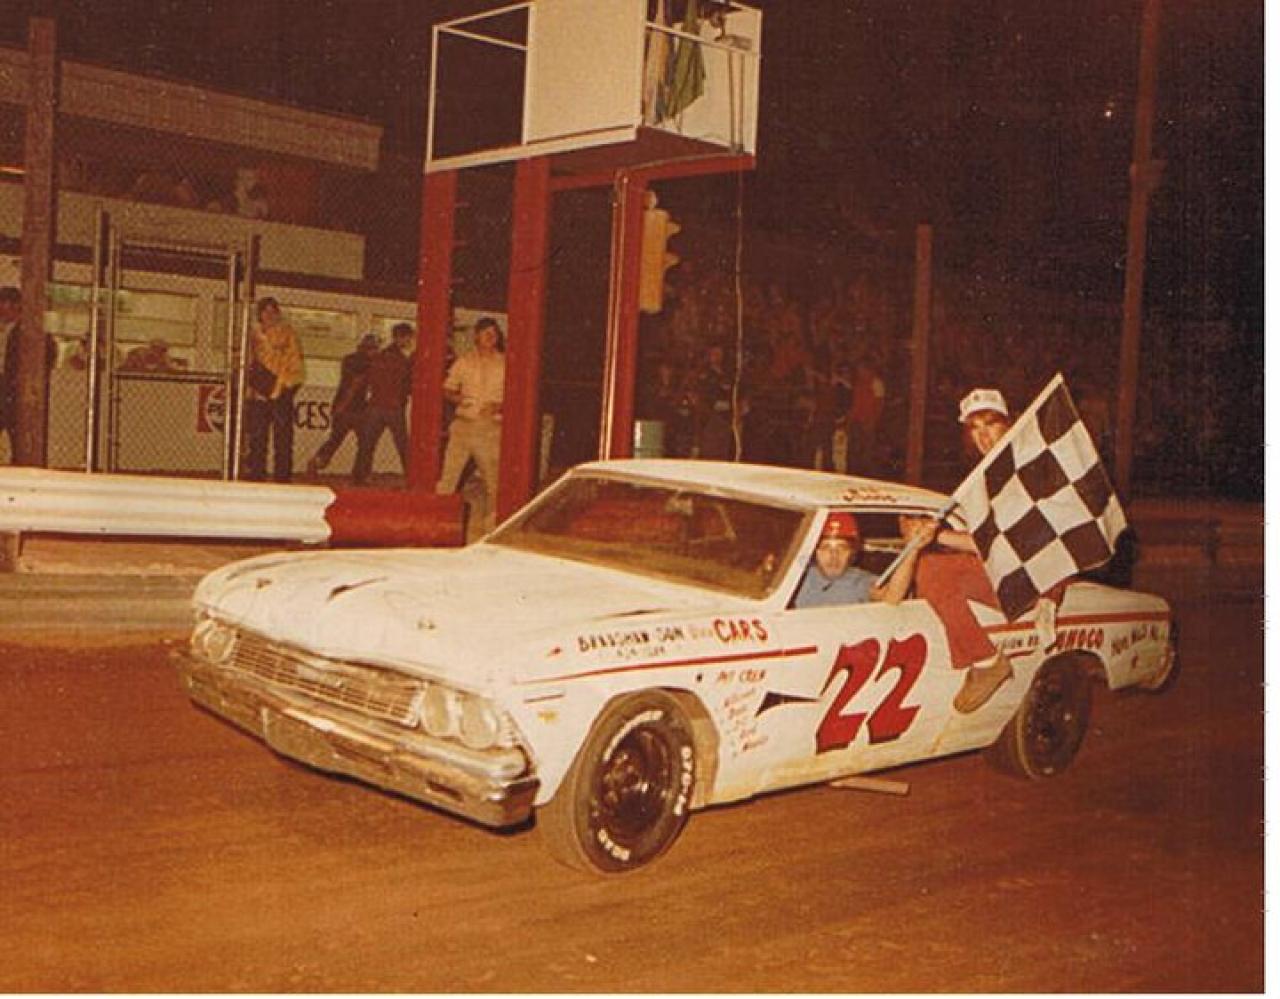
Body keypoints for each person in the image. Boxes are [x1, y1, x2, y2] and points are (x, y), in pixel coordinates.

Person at [437, 316, 505, 532]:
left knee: (493, 481)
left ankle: (491, 527)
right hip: (463, 426)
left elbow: (516, 394)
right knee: (448, 478)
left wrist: (499, 405)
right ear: (476, 336)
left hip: (489, 428)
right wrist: (458, 398)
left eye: (494, 333)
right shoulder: (464, 362)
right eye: (486, 333)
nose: (491, 337)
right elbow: (447, 389)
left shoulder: (506, 363)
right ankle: (438, 523)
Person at [794, 511, 933, 609]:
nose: (834, 555)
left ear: (852, 553)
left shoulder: (860, 581)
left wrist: (912, 549)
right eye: (825, 548)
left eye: (842, 548)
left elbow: (891, 597)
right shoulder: (797, 577)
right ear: (814, 552)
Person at [244, 297, 304, 483]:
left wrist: (284, 385)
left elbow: (295, 363)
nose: (269, 315)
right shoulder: (253, 335)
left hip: (282, 388)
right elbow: (248, 361)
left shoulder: (287, 333)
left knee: (283, 438)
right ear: (260, 314)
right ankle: (256, 474)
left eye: (272, 311)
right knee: (257, 437)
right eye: (265, 311)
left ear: (278, 314)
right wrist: (249, 387)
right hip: (259, 390)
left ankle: (282, 476)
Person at [309, 332, 378, 477]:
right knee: (364, 442)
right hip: (355, 407)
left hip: (346, 405)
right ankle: (361, 473)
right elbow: (356, 384)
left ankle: (317, 461)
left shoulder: (349, 360)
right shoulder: (366, 364)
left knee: (336, 439)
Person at [353, 324, 414, 485]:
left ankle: (361, 475)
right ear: (403, 338)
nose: (410, 341)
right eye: (408, 338)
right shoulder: (402, 360)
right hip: (394, 406)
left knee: (367, 443)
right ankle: (411, 477)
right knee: (403, 444)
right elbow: (407, 383)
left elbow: (370, 379)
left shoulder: (380, 357)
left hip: (376, 404)